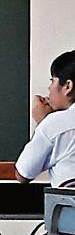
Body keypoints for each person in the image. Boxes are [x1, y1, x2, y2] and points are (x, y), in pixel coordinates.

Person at [16, 50, 75, 186]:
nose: (49, 88)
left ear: (67, 86)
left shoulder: (54, 123)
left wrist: (43, 123)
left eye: (52, 80)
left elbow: (23, 174)